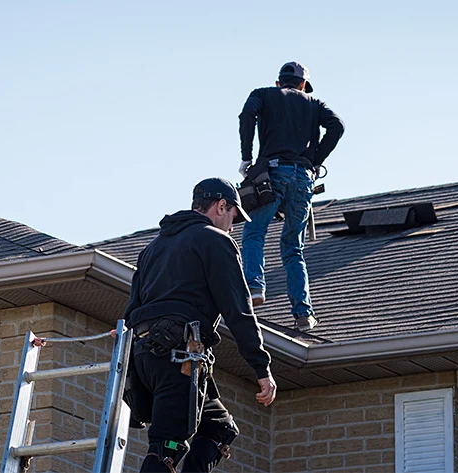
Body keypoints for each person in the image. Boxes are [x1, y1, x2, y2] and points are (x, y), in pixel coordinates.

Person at [123, 177, 277, 473]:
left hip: (147, 358)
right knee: (167, 447)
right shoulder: (216, 241)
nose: (233, 226)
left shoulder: (152, 249)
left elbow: (131, 313)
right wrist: (261, 368)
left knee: (219, 429)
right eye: (234, 216)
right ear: (222, 206)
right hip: (179, 358)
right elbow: (239, 311)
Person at [238, 61, 345, 332]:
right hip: (303, 178)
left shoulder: (263, 94)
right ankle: (303, 314)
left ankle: (254, 288)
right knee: (293, 247)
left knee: (254, 232)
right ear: (302, 85)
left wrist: (247, 157)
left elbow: (246, 116)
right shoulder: (314, 104)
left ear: (278, 82)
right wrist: (315, 159)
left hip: (273, 173)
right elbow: (337, 126)